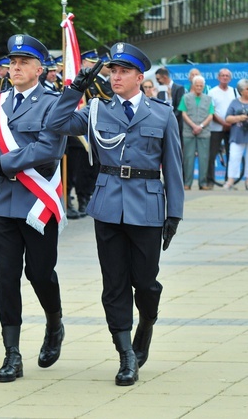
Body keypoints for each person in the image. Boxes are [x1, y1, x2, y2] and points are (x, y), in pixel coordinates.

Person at [47, 42, 184, 386]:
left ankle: (147, 325)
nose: (116, 77)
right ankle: (125, 354)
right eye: (112, 71)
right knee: (115, 284)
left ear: (140, 76)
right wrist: (75, 87)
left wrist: (175, 213)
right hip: (108, 206)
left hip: (148, 206)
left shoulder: (162, 113)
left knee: (146, 283)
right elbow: (56, 122)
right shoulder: (96, 109)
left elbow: (174, 166)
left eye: (123, 71)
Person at [0, 35, 67, 383]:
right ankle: (11, 353)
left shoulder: (53, 103)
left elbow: (49, 149)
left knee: (40, 273)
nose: (14, 67)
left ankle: (54, 321)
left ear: (39, 68)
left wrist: (3, 162)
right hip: (4, 201)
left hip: (37, 202)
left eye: (22, 63)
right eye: (11, 62)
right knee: (6, 277)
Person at [178, 75, 213, 190]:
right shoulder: (186, 97)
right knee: (188, 158)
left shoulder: (208, 99)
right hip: (189, 132)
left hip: (204, 132)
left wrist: (201, 126)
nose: (199, 87)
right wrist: (194, 126)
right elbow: (183, 113)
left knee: (204, 158)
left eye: (201, 86)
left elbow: (210, 115)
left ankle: (203, 183)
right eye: (197, 85)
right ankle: (187, 183)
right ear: (193, 85)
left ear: (203, 86)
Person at [206, 68, 237, 187]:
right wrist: (223, 123)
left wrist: (229, 123)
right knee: (211, 155)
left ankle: (228, 182)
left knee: (231, 155)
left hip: (232, 128)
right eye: (222, 75)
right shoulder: (212, 92)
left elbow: (237, 108)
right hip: (215, 128)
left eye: (227, 76)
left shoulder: (234, 92)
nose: (224, 77)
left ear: (230, 78)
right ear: (218, 77)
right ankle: (210, 181)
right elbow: (211, 111)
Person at [223, 79, 248, 191]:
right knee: (234, 157)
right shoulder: (234, 102)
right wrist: (239, 118)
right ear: (241, 91)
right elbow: (227, 118)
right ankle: (230, 181)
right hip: (237, 134)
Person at [154, 67, 185, 140]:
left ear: (164, 77)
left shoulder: (178, 88)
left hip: (176, 123)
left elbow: (179, 108)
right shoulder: (159, 89)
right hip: (162, 124)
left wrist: (170, 118)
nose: (157, 81)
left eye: (158, 79)